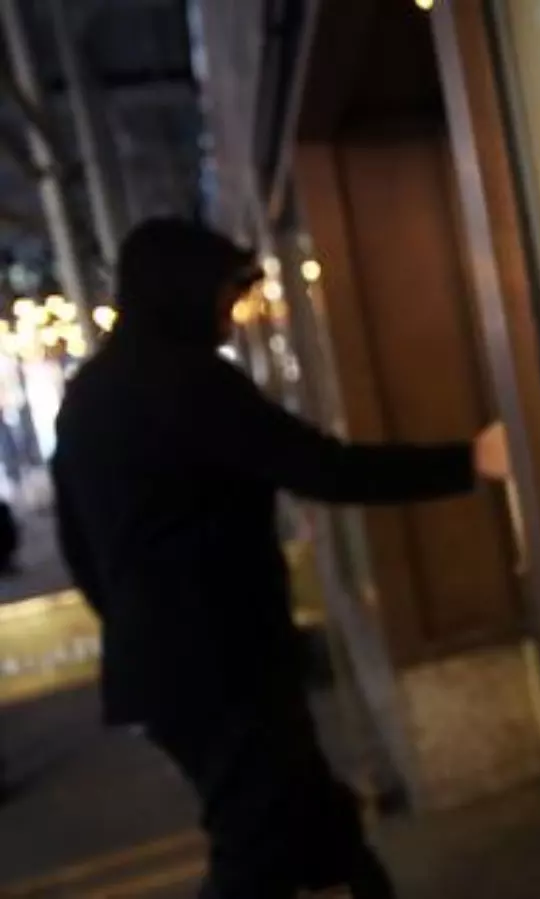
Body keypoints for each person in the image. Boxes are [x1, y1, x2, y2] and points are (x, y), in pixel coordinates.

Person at [50, 218, 513, 899]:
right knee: (256, 849)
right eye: (224, 296)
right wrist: (470, 460)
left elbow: (79, 547)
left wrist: (139, 624)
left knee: (316, 823)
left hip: (163, 665)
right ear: (183, 288)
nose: (231, 315)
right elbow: (324, 467)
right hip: (221, 660)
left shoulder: (89, 395)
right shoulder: (188, 382)